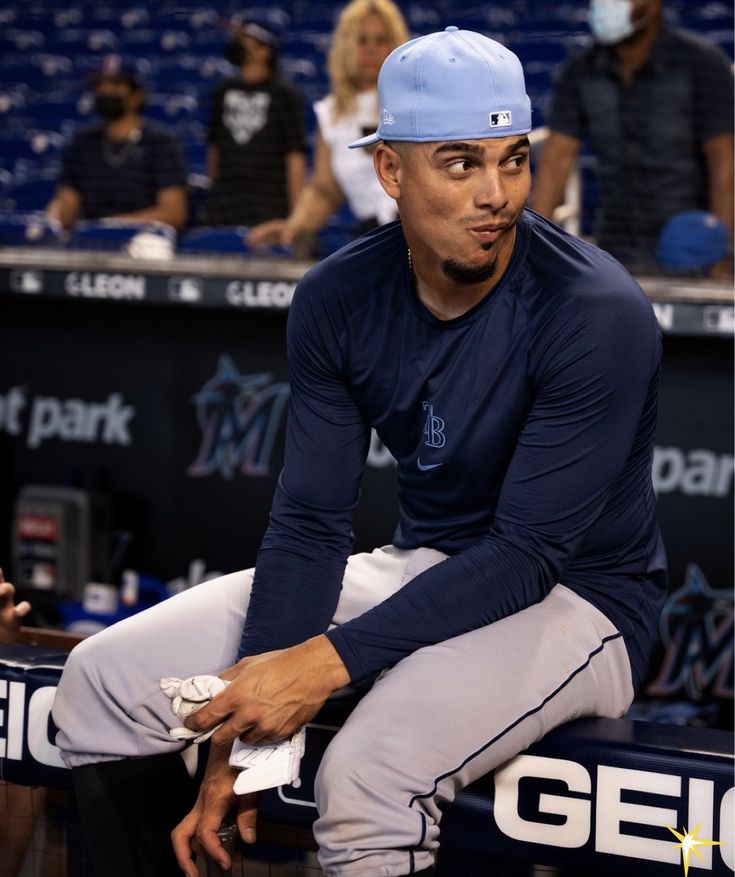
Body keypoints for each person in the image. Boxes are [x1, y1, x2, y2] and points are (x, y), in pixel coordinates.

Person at [52, 27, 667, 877]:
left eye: (513, 159)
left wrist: (317, 667)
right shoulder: (337, 295)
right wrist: (239, 746)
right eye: (460, 163)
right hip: (427, 564)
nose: (496, 193)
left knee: (368, 773)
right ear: (390, 171)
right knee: (101, 677)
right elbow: (309, 522)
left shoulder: (596, 309)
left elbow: (527, 554)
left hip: (582, 600)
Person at [532, 0, 734, 273]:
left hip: (688, 248)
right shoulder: (580, 71)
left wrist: (721, 253)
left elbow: (724, 163)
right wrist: (531, 252)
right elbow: (556, 160)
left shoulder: (703, 64)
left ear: (653, 5)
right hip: (615, 250)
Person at [247, 0, 409, 253]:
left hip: (418, 232)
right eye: (361, 40)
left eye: (381, 40)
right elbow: (324, 190)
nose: (370, 50)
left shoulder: (413, 101)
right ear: (346, 47)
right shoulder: (332, 114)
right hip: (371, 237)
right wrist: (293, 227)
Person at [45, 56, 188, 231]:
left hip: (144, 237)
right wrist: (51, 222)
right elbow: (66, 202)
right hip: (91, 238)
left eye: (117, 84)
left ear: (137, 95)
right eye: (99, 84)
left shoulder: (161, 142)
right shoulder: (83, 143)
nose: (106, 90)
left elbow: (173, 213)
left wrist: (113, 226)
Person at [200, 10, 307, 227]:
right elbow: (214, 149)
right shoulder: (222, 90)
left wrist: (296, 220)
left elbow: (295, 157)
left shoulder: (285, 95)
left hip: (270, 208)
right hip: (224, 207)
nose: (236, 42)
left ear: (265, 49)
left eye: (244, 38)